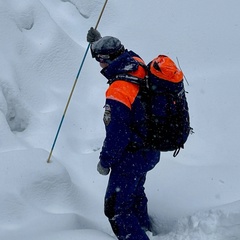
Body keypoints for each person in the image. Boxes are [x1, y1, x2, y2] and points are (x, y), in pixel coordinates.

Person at [87, 27, 160, 240]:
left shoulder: (119, 90)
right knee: (136, 194)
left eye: (99, 60)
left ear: (107, 59)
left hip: (131, 157)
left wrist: (105, 162)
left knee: (116, 210)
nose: (99, 65)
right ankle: (146, 230)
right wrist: (96, 42)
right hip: (150, 149)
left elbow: (117, 136)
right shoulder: (135, 61)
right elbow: (114, 52)